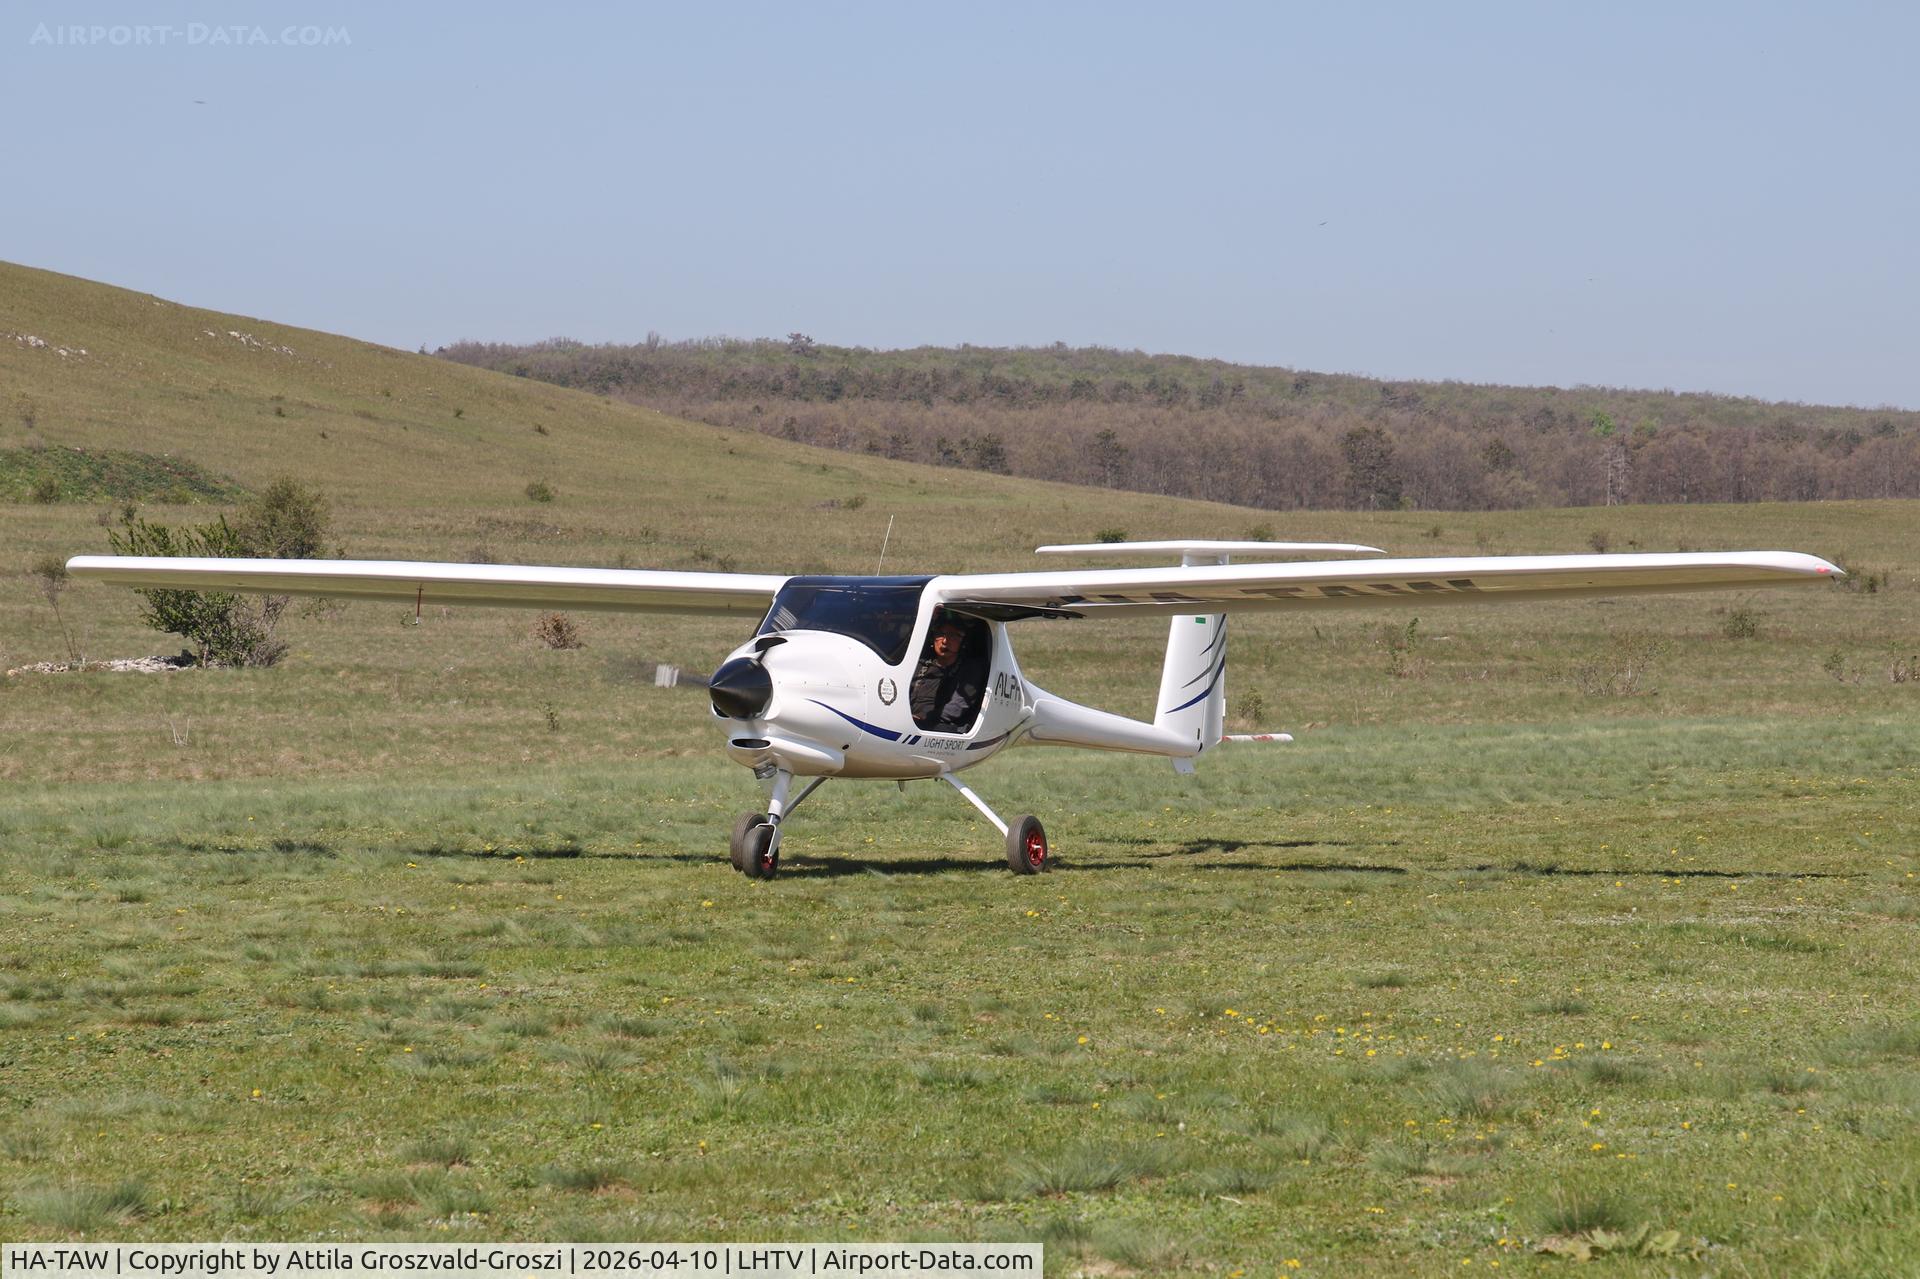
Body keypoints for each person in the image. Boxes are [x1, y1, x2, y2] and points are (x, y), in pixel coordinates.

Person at [910, 615, 983, 731]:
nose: (944, 641)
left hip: (941, 728)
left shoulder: (970, 669)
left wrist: (923, 720)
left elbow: (956, 708)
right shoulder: (921, 664)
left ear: (963, 641)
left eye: (953, 636)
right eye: (940, 634)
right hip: (911, 723)